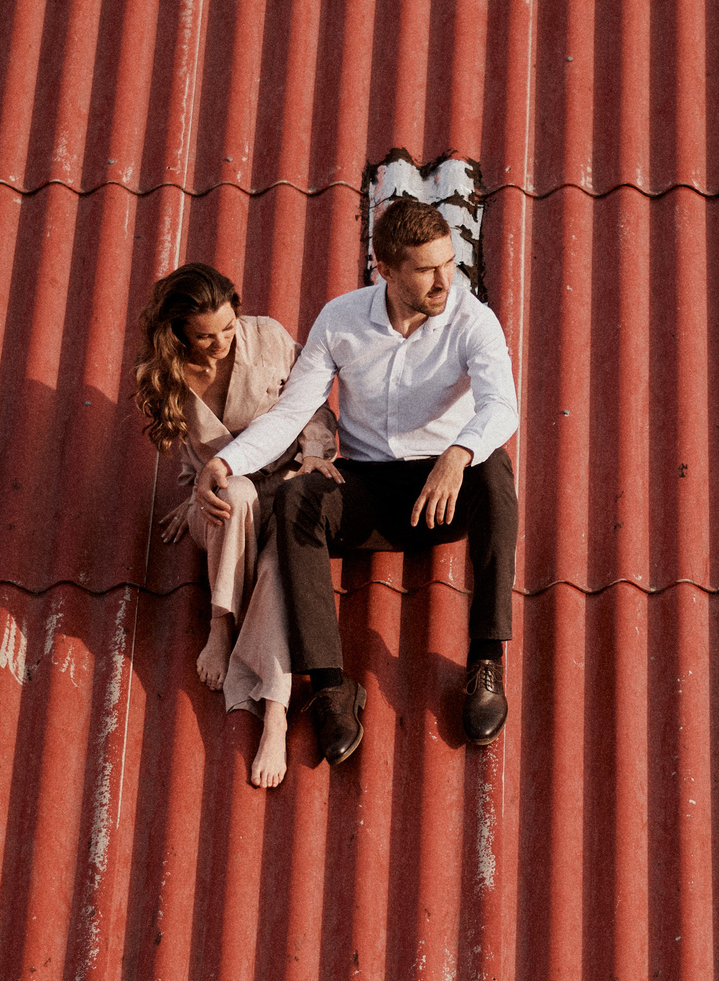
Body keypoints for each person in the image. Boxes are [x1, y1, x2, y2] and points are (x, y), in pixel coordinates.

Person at [197, 197, 519, 764]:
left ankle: (486, 662)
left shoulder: (472, 319)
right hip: (368, 489)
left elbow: (501, 408)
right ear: (387, 270)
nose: (445, 280)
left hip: (445, 492)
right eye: (427, 270)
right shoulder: (341, 319)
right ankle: (330, 685)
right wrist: (226, 464)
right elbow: (291, 413)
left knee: (494, 468)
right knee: (298, 497)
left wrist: (458, 451)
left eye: (449, 263)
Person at [134, 263, 338, 789]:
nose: (222, 341)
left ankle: (274, 709)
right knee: (235, 490)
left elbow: (311, 404)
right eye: (205, 335)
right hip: (223, 502)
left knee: (276, 569)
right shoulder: (166, 375)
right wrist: (190, 488)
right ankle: (219, 626)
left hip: (287, 484)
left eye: (228, 327)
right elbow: (189, 449)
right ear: (177, 330)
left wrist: (316, 456)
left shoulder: (268, 338)